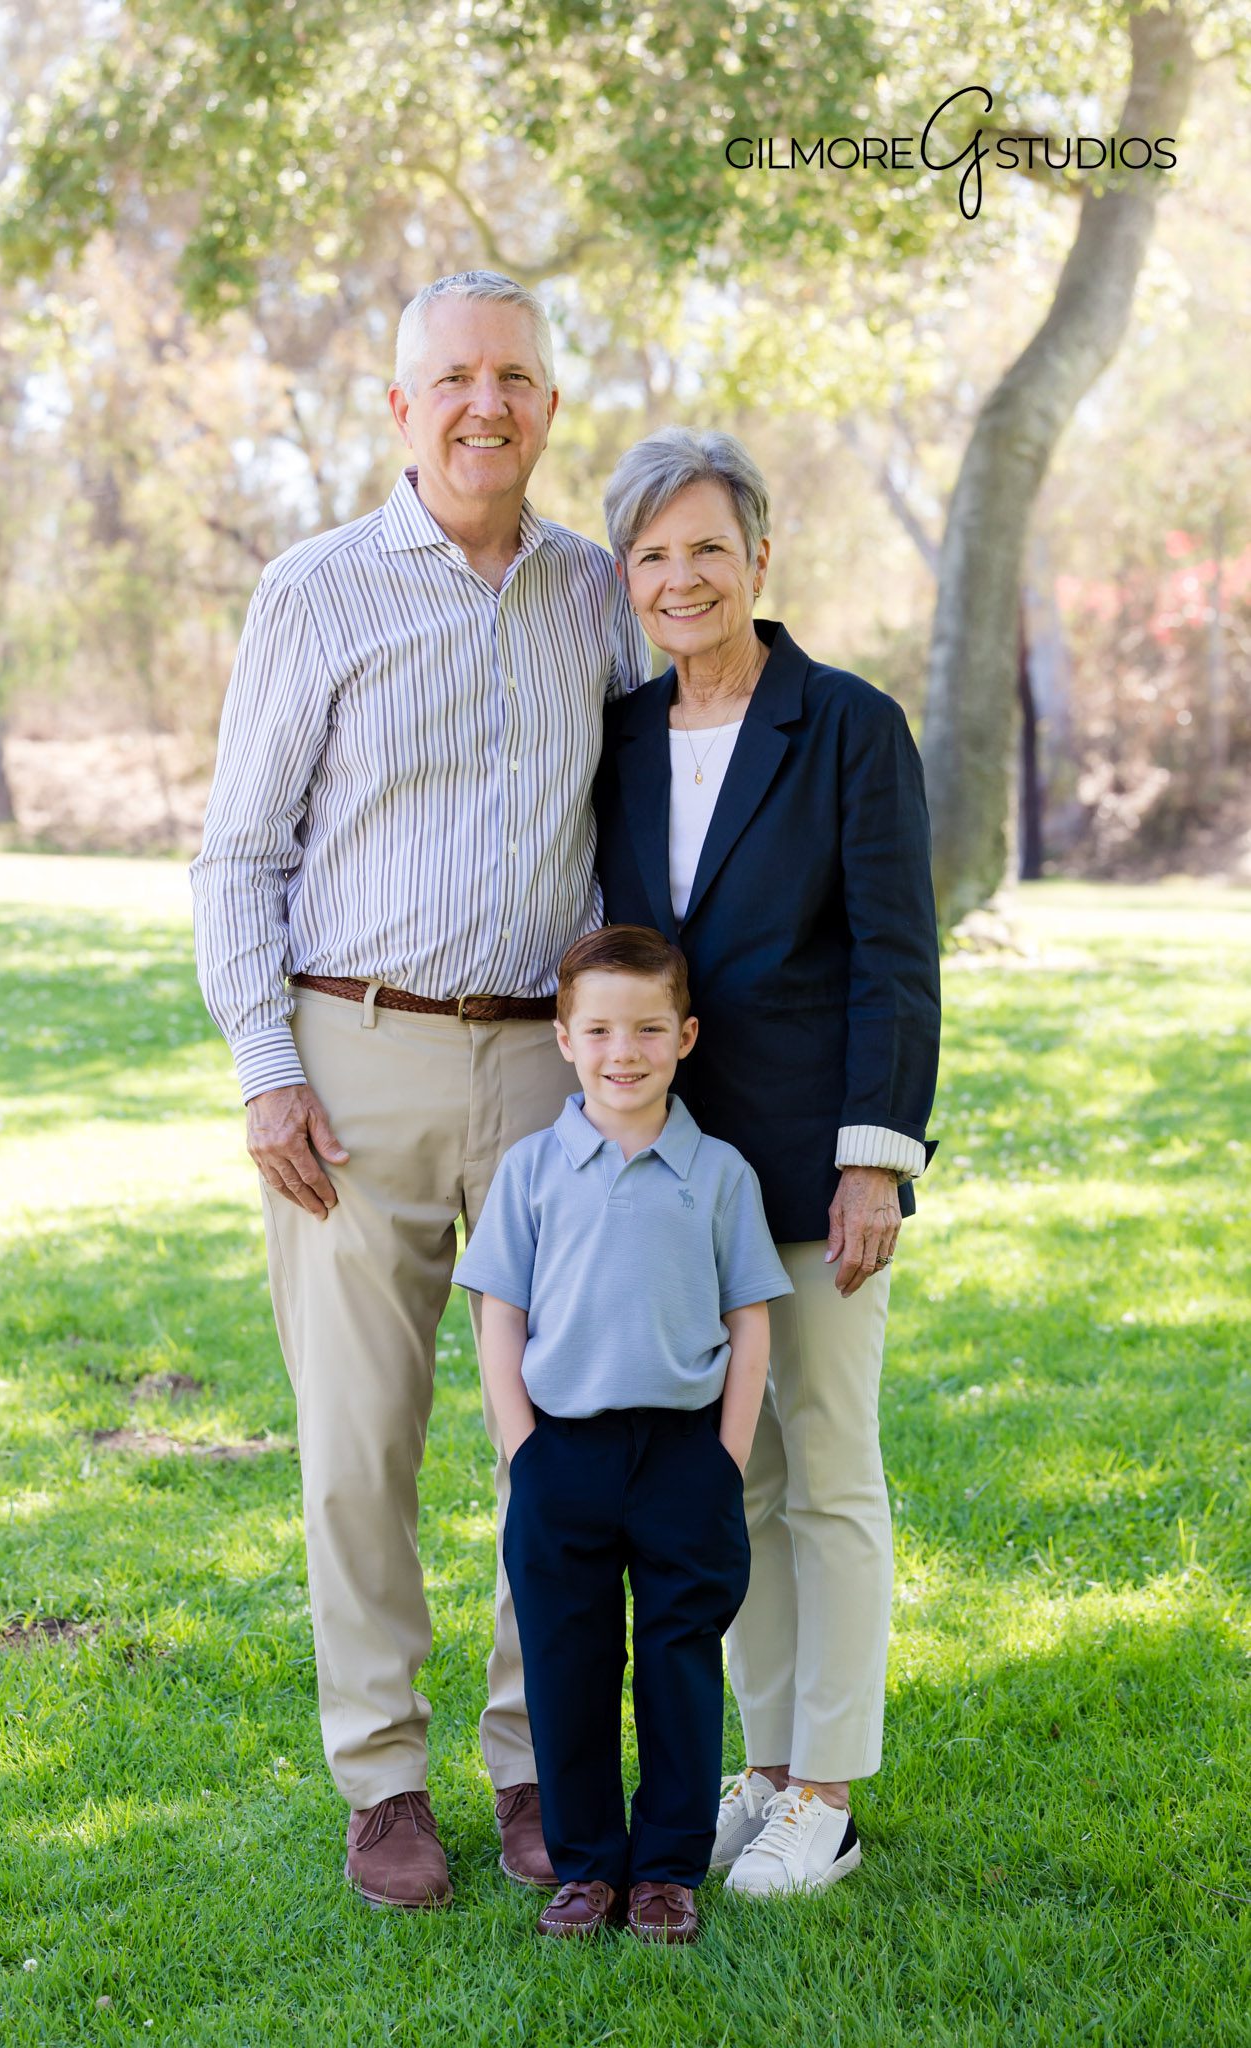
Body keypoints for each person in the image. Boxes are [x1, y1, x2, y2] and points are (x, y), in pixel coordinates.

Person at [189, 271, 648, 1910]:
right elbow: (239, 853)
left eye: (513, 377)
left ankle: (538, 1764)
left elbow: (650, 817)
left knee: (565, 1433)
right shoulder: (316, 590)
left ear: (548, 406)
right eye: (452, 377)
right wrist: (267, 1074)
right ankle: (383, 1776)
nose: (484, 405)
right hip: (354, 1060)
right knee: (356, 1444)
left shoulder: (598, 594)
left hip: (549, 1069)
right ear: (400, 407)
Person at [593, 427, 940, 1897]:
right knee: (729, 1477)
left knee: (828, 1470)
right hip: (677, 1174)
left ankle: (831, 1793)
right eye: (653, 555)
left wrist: (875, 1161)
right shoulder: (618, 734)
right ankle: (768, 1762)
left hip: (812, 1163)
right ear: (627, 575)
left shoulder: (848, 725)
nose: (682, 578)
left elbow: (895, 958)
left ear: (761, 558)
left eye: (708, 550)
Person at [453, 925, 793, 1942]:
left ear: (684, 1036)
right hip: (561, 1453)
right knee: (568, 1661)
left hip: (686, 1452)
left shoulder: (720, 1172)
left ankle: (668, 1870)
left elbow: (748, 1318)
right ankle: (589, 1866)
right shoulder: (531, 1170)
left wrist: (726, 1455)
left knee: (680, 1657)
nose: (623, 1051)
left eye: (648, 1028)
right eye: (598, 1029)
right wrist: (524, 1448)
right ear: (563, 1039)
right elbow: (500, 1313)